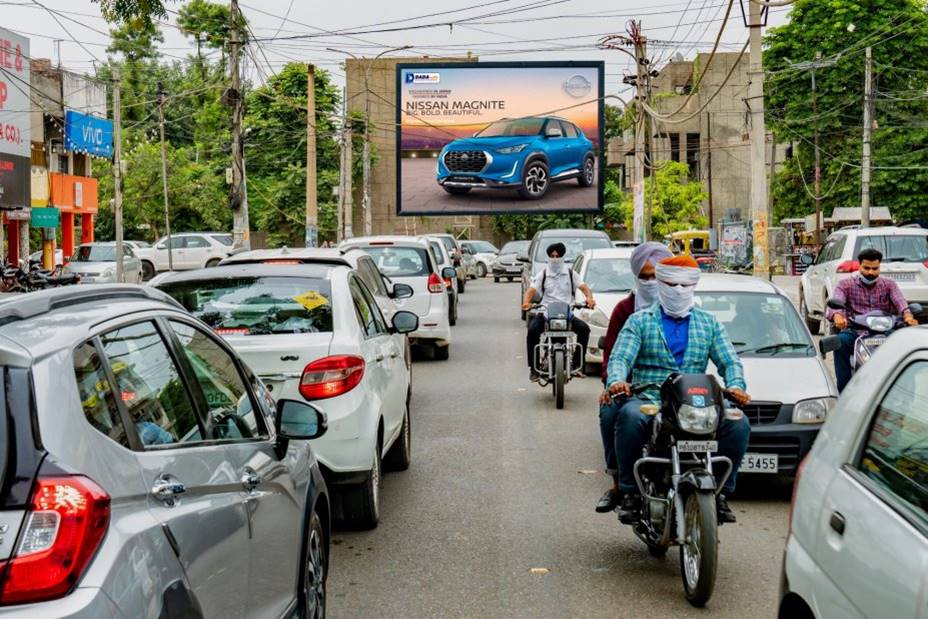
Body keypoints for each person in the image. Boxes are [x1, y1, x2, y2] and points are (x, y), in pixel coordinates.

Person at [606, 255, 752, 524]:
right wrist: (617, 380)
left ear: (694, 287)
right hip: (651, 399)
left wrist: (736, 386)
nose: (678, 290)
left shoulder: (709, 323)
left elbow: (729, 360)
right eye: (671, 284)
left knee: (738, 423)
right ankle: (629, 491)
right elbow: (621, 358)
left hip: (697, 403)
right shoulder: (639, 321)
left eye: (685, 285)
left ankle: (721, 492)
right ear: (660, 284)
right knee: (629, 417)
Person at [594, 241, 672, 513]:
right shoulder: (625, 311)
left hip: (677, 389)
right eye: (645, 276)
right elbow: (614, 357)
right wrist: (615, 383)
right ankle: (620, 484)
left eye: (657, 276)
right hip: (632, 387)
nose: (651, 282)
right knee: (611, 412)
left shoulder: (689, 313)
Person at [827, 247, 918, 392]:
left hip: (885, 331)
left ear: (879, 267)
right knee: (841, 342)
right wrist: (837, 315)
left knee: (904, 345)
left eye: (875, 268)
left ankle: (905, 391)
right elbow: (836, 303)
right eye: (866, 268)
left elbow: (901, 303)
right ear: (859, 266)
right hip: (855, 332)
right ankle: (844, 392)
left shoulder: (889, 285)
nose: (870, 272)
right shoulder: (845, 284)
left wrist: (908, 316)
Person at [522, 242, 596, 382]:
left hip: (566, 313)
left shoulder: (570, 274)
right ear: (548, 257)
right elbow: (531, 290)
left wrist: (589, 298)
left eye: (557, 256)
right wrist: (526, 302)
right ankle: (534, 369)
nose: (555, 259)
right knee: (532, 331)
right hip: (546, 313)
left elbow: (584, 287)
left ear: (562, 257)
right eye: (552, 256)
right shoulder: (542, 274)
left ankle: (578, 365)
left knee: (584, 329)